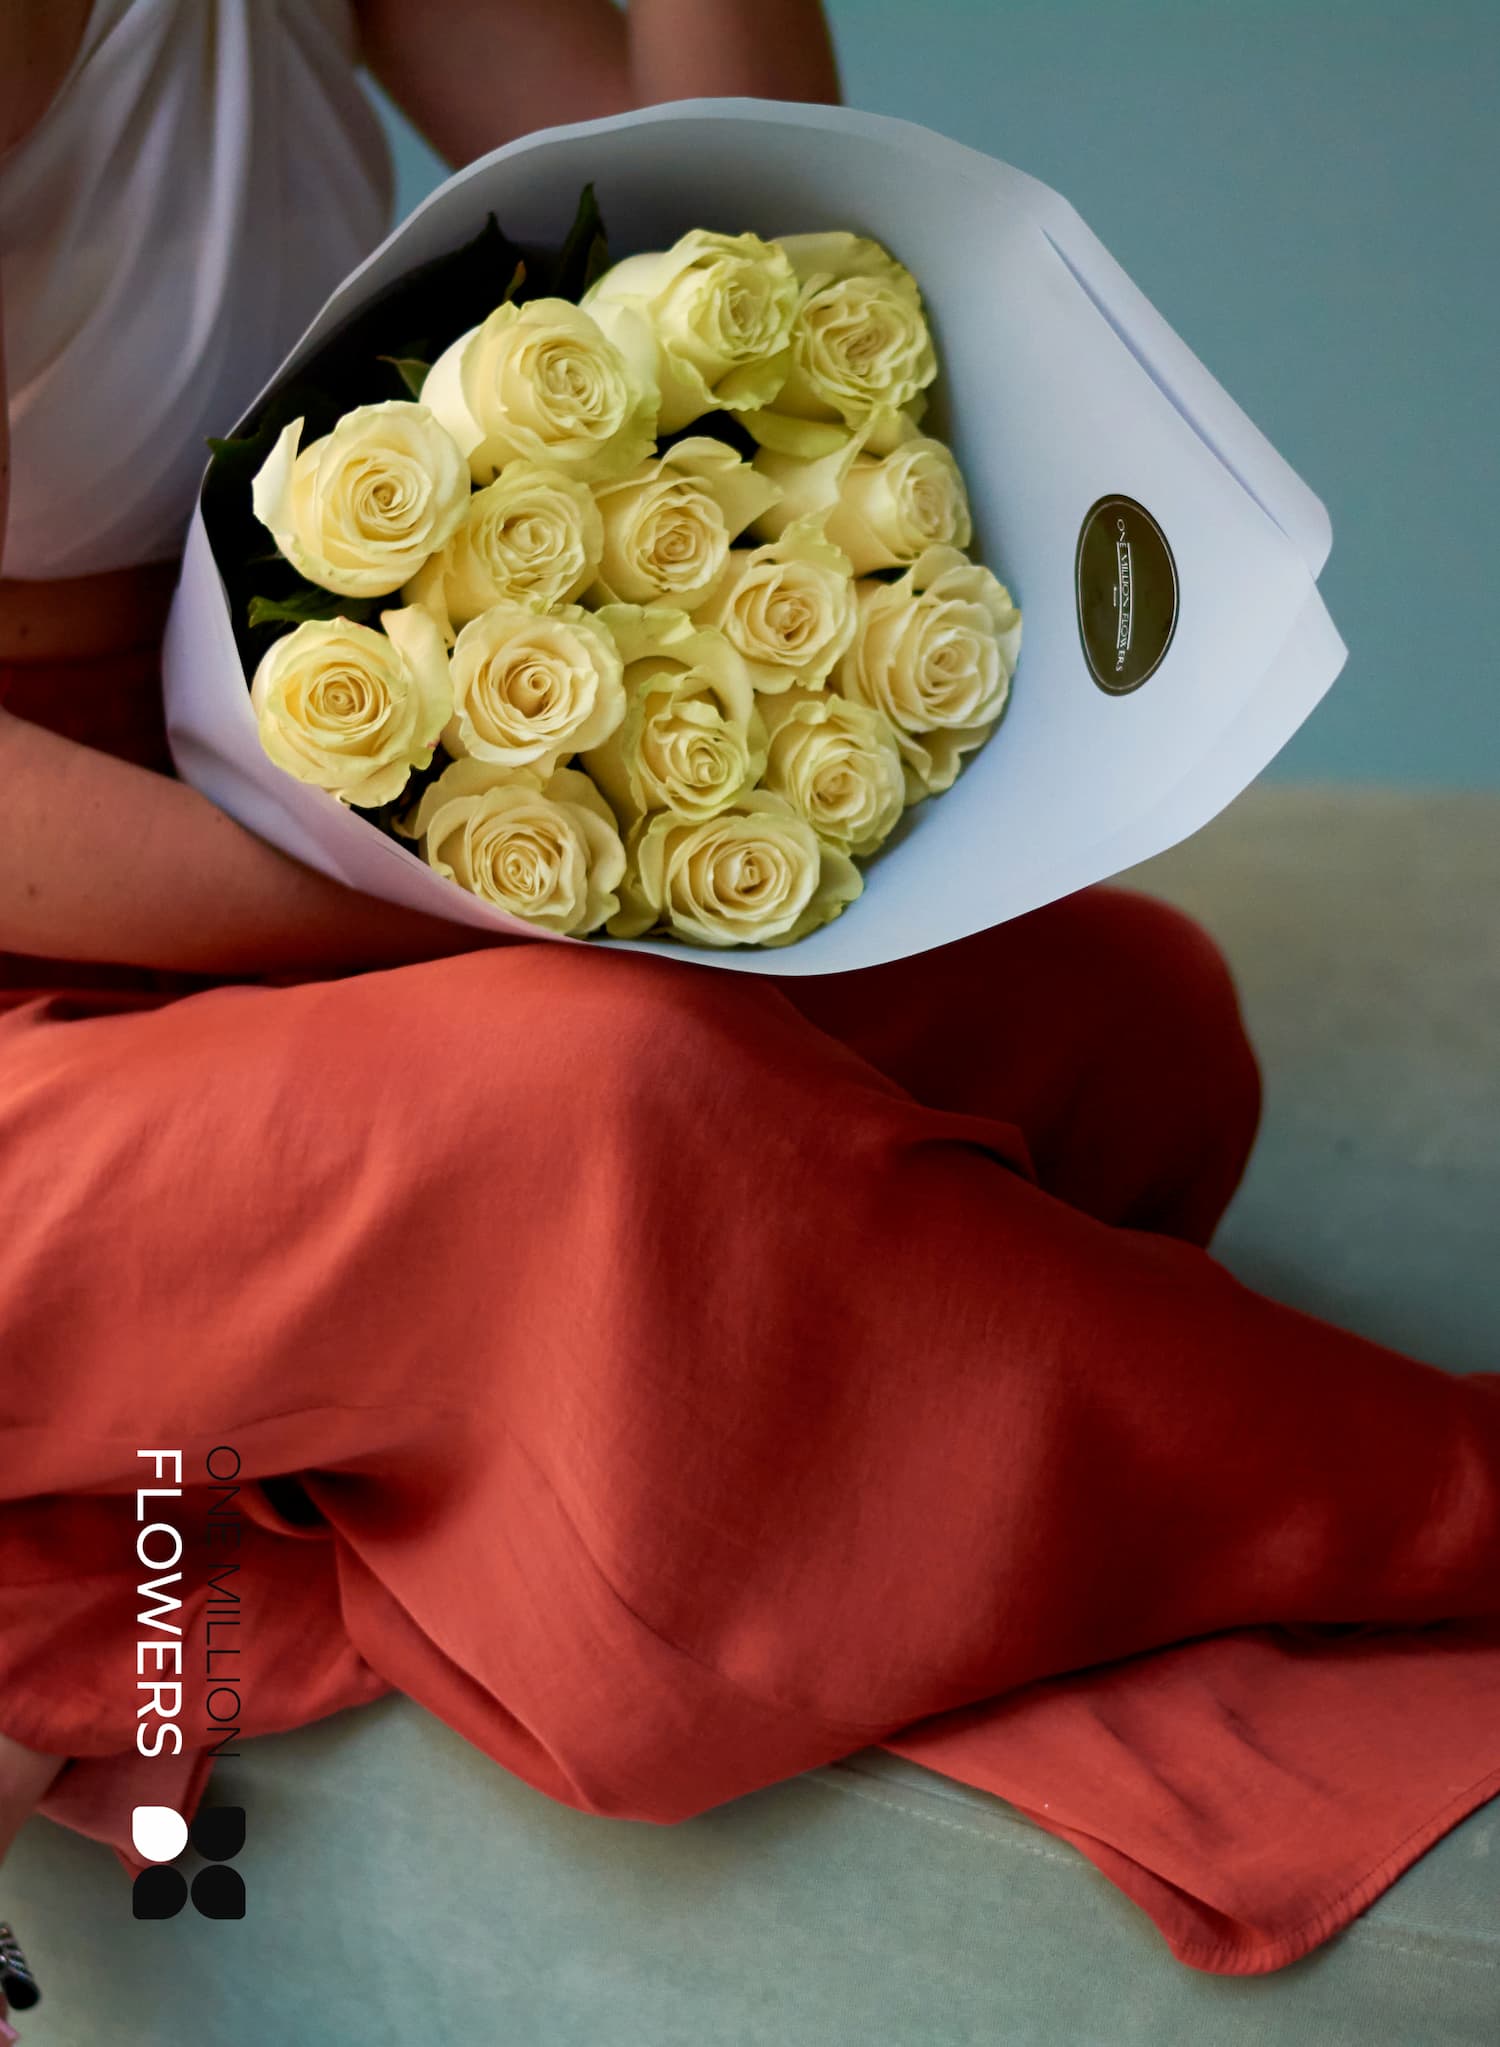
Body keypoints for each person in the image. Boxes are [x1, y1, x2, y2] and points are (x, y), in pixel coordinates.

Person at [1, 0, 1497, 2023]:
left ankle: (192, 1518)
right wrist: (446, 926)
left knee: (1110, 1021)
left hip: (220, 820)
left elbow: (744, 261)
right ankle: (1426, 1497)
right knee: (617, 1103)